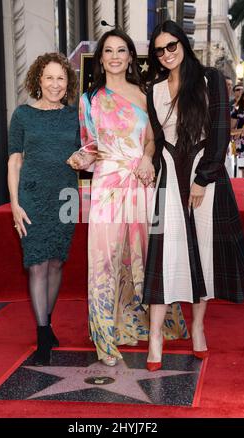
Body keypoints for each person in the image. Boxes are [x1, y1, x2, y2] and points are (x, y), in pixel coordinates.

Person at [67, 29, 188, 367]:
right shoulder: (88, 99)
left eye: (122, 50)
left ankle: (147, 325)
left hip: (140, 181)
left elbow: (151, 141)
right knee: (103, 258)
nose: (116, 56)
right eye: (109, 50)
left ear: (131, 57)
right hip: (106, 184)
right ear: (101, 58)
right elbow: (90, 146)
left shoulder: (143, 94)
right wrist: (81, 158)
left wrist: (148, 158)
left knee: (144, 255)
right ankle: (106, 336)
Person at [142, 21, 244, 371]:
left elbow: (220, 132)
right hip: (167, 176)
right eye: (159, 50)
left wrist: (204, 179)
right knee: (163, 255)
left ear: (184, 43)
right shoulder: (154, 88)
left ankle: (197, 326)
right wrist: (149, 161)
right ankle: (156, 337)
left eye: (172, 46)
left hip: (203, 176)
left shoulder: (209, 79)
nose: (166, 54)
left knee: (203, 253)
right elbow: (158, 139)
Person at [8, 53, 80, 366]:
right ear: (39, 79)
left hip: (66, 195)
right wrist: (14, 204)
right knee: (37, 263)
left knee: (56, 263)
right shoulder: (22, 115)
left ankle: (46, 322)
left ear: (68, 83)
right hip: (32, 196)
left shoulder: (75, 116)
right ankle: (42, 336)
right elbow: (14, 160)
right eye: (49, 77)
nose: (54, 84)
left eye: (60, 78)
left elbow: (86, 154)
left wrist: (84, 159)